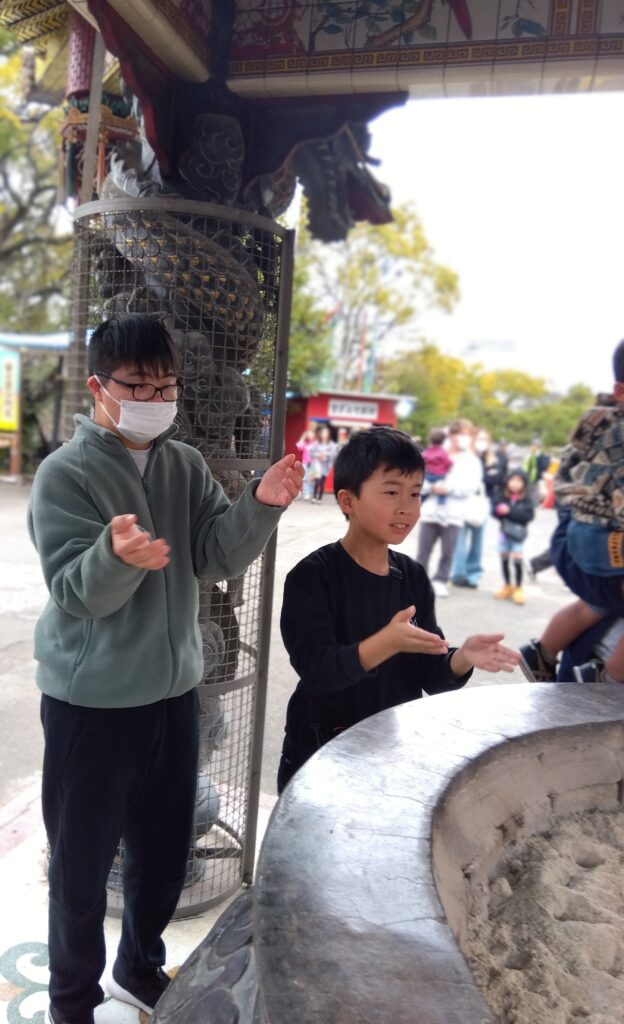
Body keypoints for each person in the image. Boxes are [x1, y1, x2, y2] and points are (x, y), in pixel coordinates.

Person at [27, 314, 304, 1024]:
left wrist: (260, 504)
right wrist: (114, 557)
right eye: (138, 386)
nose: (156, 399)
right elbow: (75, 592)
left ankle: (139, 969)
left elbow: (215, 555)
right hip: (92, 705)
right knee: (82, 869)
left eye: (166, 385)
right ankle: (71, 1000)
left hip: (175, 696)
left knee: (163, 851)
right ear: (98, 387)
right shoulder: (65, 474)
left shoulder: (182, 464)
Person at [277, 426, 519, 792]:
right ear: (348, 501)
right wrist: (386, 642)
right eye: (391, 492)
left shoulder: (412, 576)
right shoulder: (313, 576)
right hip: (322, 752)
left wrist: (461, 658)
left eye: (415, 493)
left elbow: (431, 675)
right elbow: (318, 673)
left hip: (391, 750)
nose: (406, 506)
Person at [520, 339, 624, 683]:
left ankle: (542, 652)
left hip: (580, 534)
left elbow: (568, 471)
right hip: (608, 541)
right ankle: (606, 680)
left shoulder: (597, 419)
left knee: (593, 604)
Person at [416, 418, 483, 598]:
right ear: (452, 435)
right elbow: (418, 478)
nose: (464, 438)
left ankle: (440, 580)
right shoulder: (434, 453)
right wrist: (431, 487)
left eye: (468, 434)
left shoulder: (471, 461)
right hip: (431, 510)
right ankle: (418, 581)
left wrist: (449, 489)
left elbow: (471, 487)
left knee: (448, 551)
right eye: (462, 434)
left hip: (454, 513)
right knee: (423, 549)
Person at [450, 426, 495, 589]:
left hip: (481, 503)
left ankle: (473, 574)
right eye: (479, 438)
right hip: (462, 501)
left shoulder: (492, 460)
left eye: (485, 439)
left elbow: (496, 481)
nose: (482, 442)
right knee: (459, 541)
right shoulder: (464, 458)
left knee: (477, 542)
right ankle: (457, 573)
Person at [491, 469, 535, 605]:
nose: (515, 484)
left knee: (517, 558)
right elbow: (494, 511)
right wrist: (499, 511)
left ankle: (518, 587)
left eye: (519, 481)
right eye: (513, 480)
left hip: (518, 534)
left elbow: (528, 516)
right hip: (504, 532)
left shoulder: (527, 499)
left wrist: (509, 511)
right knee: (504, 557)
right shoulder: (501, 495)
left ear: (524, 484)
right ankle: (507, 585)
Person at [421, 427, 452, 503]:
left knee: (424, 489)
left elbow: (422, 461)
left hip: (428, 474)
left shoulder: (427, 451)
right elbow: (448, 462)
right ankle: (441, 503)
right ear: (443, 440)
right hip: (440, 475)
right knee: (442, 488)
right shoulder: (443, 452)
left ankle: (422, 500)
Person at [309, 424, 337, 503]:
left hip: (325, 466)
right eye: (323, 433)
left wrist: (326, 455)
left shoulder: (331, 444)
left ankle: (319, 499)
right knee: (317, 482)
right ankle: (314, 497)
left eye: (326, 433)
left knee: (322, 482)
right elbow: (311, 453)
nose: (324, 435)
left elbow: (334, 454)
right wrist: (318, 455)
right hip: (317, 465)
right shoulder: (316, 443)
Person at [523, 436, 550, 507]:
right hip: (527, 477)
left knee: (536, 493)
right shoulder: (528, 456)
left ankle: (534, 506)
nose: (533, 447)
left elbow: (545, 467)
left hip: (538, 478)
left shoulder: (544, 457)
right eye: (532, 445)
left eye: (536, 446)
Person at [295, 426, 317, 500]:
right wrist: (303, 437)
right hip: (305, 463)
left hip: (314, 463)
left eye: (311, 434)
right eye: (308, 434)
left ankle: (310, 492)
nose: (310, 436)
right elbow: (298, 446)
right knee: (305, 478)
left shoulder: (316, 443)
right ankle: (306, 493)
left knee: (312, 478)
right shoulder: (305, 443)